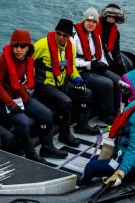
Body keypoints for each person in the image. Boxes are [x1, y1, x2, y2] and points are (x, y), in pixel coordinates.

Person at [0, 29, 68, 162]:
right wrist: (10, 103)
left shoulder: (27, 59)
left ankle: (47, 147)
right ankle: (30, 153)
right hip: (1, 102)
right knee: (23, 122)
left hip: (21, 97)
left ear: (28, 48)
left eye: (22, 46)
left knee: (46, 114)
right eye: (16, 46)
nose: (19, 50)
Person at [79, 69, 135, 186]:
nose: (122, 91)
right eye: (121, 87)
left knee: (90, 167)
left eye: (125, 88)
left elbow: (134, 146)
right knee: (95, 160)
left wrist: (121, 172)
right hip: (123, 153)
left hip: (134, 164)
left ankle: (81, 188)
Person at [32, 19, 97, 147]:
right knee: (65, 101)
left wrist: (78, 80)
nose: (60, 37)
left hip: (61, 82)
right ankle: (64, 134)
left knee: (86, 93)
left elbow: (70, 67)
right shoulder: (42, 44)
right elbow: (27, 60)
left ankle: (82, 125)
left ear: (69, 37)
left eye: (64, 35)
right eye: (58, 33)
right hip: (45, 84)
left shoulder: (70, 47)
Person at [72, 7, 121, 124]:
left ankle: (117, 110)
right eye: (89, 20)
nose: (91, 24)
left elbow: (101, 53)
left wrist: (103, 64)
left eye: (94, 22)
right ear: (83, 21)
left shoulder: (96, 36)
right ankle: (105, 114)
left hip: (94, 66)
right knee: (107, 84)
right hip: (81, 71)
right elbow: (71, 60)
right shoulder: (74, 37)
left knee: (118, 80)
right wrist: (90, 65)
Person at [98, 3, 128, 75]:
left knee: (118, 70)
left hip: (104, 55)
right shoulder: (94, 25)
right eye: (110, 16)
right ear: (105, 16)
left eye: (114, 17)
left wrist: (120, 64)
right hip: (93, 55)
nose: (111, 19)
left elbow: (116, 51)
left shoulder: (116, 33)